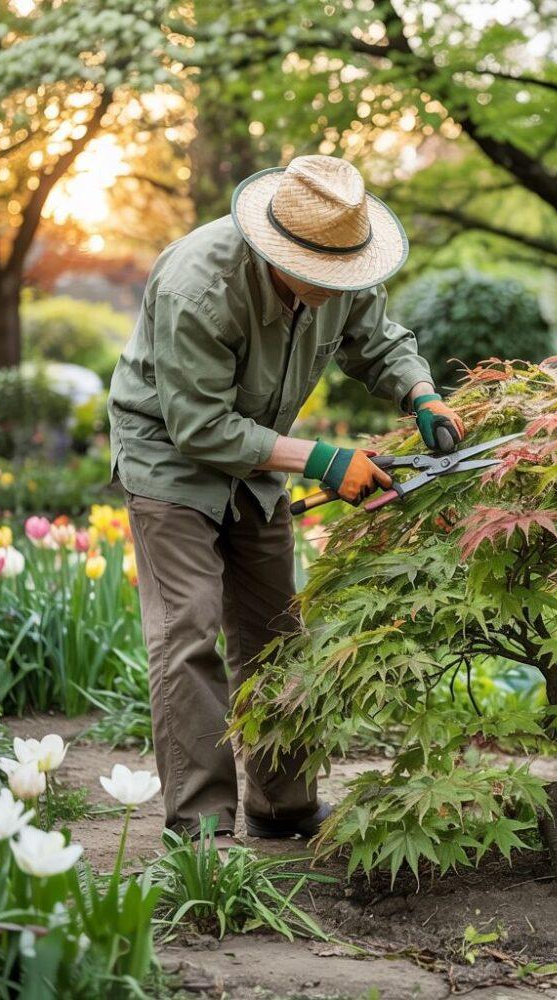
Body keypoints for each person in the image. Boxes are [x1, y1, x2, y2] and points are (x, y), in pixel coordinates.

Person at [107, 155, 465, 848]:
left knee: (276, 632)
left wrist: (421, 394)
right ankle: (201, 827)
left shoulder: (342, 264)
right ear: (279, 252)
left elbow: (381, 343)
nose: (342, 287)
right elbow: (200, 426)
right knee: (188, 630)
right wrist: (325, 462)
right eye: (326, 277)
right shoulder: (198, 287)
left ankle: (284, 806)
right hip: (169, 455)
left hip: (261, 457)